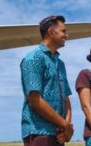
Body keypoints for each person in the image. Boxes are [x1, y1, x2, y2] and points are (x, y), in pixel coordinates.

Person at [20, 15, 74, 146]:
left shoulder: (60, 64)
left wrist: (66, 129)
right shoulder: (33, 59)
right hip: (39, 131)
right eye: (63, 31)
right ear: (51, 32)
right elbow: (35, 101)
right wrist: (65, 125)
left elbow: (66, 98)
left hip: (58, 134)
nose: (67, 35)